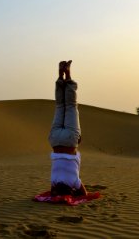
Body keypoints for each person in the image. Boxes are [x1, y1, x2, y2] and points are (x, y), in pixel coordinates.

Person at [48, 60, 88, 196]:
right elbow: (53, 191)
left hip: (70, 140)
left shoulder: (74, 182)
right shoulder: (53, 181)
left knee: (71, 106)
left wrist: (76, 193)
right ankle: (60, 76)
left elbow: (84, 194)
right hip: (54, 140)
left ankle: (68, 75)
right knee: (60, 106)